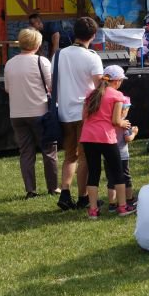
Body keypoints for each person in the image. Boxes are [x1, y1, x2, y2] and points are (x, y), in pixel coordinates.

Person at [4, 28, 59, 198]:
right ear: (38, 44)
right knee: (49, 151)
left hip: (16, 113)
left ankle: (30, 190)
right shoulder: (42, 61)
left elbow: (7, 88)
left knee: (26, 152)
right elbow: (52, 86)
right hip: (39, 112)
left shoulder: (10, 63)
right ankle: (53, 187)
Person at [55, 17, 104, 211]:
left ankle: (65, 192)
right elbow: (99, 86)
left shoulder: (59, 54)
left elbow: (52, 83)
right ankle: (83, 196)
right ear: (93, 35)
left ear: (74, 33)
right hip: (85, 112)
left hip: (64, 111)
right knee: (84, 157)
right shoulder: (92, 57)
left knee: (70, 155)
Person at [80, 65, 135, 219]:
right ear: (117, 81)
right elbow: (116, 121)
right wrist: (124, 123)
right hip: (106, 137)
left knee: (94, 172)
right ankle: (122, 207)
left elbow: (84, 117)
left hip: (88, 137)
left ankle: (93, 210)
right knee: (118, 171)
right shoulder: (117, 95)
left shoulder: (91, 94)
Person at [108, 97, 137, 212]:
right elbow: (128, 138)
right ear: (124, 110)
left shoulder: (109, 122)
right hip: (122, 155)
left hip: (109, 154)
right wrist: (134, 133)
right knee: (126, 177)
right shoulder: (125, 124)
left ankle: (112, 204)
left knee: (111, 179)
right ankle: (129, 199)